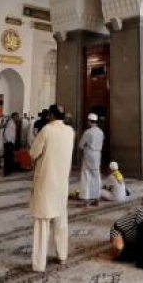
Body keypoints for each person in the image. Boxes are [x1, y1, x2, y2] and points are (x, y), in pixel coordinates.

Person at [29, 104, 75, 273]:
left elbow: (33, 153)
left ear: (50, 115)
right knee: (61, 221)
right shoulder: (70, 131)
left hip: (46, 182)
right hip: (62, 182)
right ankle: (62, 254)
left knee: (42, 222)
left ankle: (39, 264)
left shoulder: (47, 130)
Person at [78, 112, 104, 205]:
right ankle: (97, 197)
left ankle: (86, 200)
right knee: (96, 175)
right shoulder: (100, 132)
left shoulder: (88, 132)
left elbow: (80, 145)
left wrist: (85, 147)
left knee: (86, 176)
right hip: (98, 155)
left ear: (89, 121)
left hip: (89, 155)